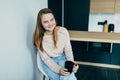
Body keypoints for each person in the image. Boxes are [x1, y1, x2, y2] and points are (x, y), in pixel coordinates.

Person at [33, 8, 79, 80]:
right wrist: (58, 69)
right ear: (40, 24)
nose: (50, 24)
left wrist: (71, 63)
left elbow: (68, 50)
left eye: (52, 20)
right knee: (59, 78)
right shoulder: (39, 39)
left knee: (67, 75)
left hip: (62, 57)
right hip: (49, 62)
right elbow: (46, 59)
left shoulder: (63, 31)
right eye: (46, 22)